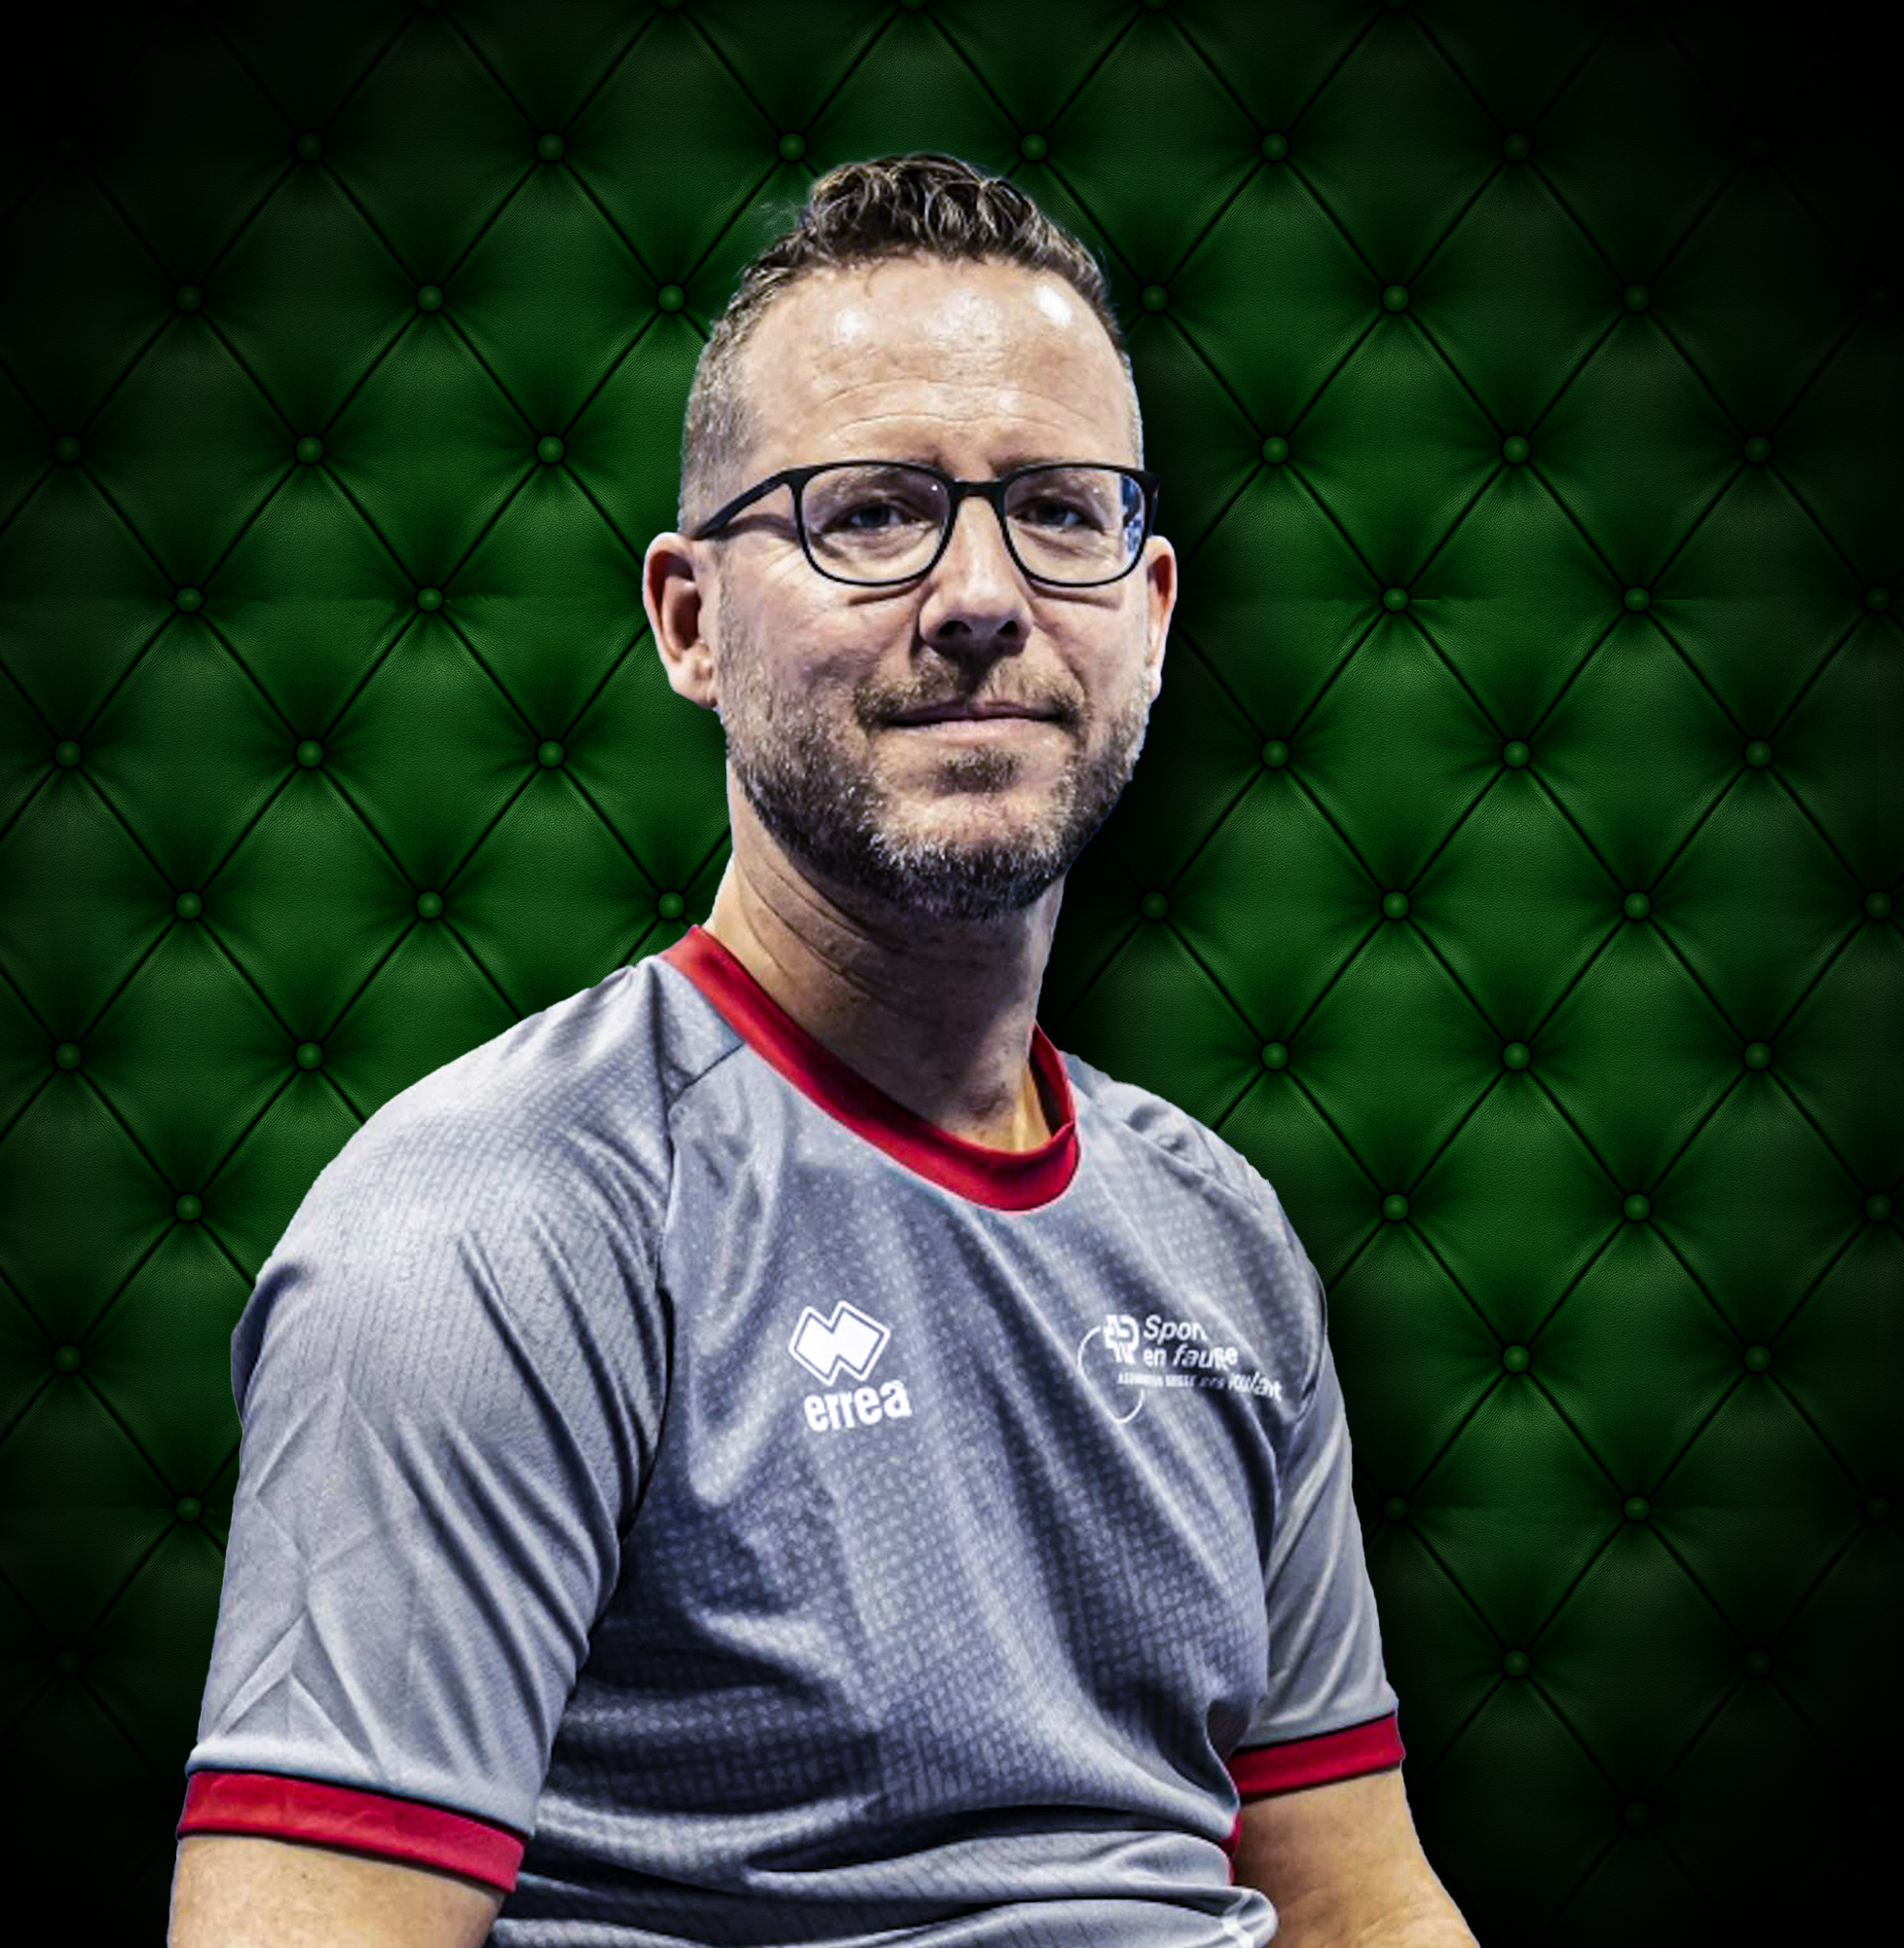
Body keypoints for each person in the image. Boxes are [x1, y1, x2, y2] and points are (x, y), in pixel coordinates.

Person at [168, 153, 1476, 1948]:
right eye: (869, 512)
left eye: (1060, 511)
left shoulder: (1218, 1233)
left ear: (1155, 611)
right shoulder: (489, 1227)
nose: (982, 593)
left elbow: (1361, 1909)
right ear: (688, 622)